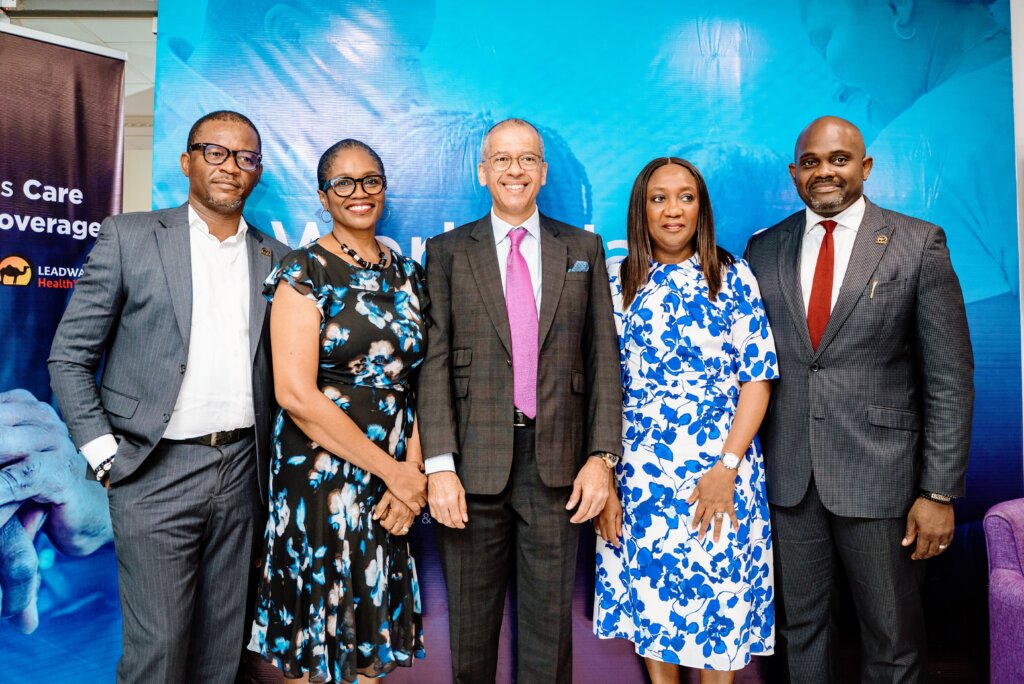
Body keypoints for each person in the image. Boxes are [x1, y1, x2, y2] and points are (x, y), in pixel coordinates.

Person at [48, 110, 290, 684]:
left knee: (221, 654)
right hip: (152, 468)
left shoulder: (276, 259)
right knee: (157, 653)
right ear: (187, 162)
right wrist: (108, 457)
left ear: (257, 173)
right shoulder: (129, 237)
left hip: (241, 474)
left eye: (246, 157)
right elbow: (70, 356)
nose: (231, 167)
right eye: (216, 152)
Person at [744, 116, 974, 683]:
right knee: (802, 631)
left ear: (865, 167)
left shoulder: (917, 243)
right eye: (812, 162)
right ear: (795, 172)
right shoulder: (763, 248)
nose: (825, 172)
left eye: (839, 159)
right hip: (791, 479)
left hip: (883, 483)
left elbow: (950, 378)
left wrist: (938, 491)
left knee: (892, 637)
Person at [418, 117, 622, 683]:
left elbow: (603, 358)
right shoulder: (448, 251)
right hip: (470, 467)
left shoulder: (582, 249)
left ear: (543, 171)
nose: (515, 169)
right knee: (472, 637)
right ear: (483, 171)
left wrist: (602, 458)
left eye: (527, 159)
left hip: (558, 467)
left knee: (548, 637)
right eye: (502, 159)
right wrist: (438, 466)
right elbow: (433, 363)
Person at [248, 139, 428, 683]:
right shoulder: (303, 272)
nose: (358, 193)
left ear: (384, 190)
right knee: (315, 643)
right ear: (323, 197)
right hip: (321, 478)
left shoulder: (409, 274)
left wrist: (411, 477)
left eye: (370, 180)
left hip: (393, 479)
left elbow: (424, 384)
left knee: (369, 642)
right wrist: (393, 470)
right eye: (343, 183)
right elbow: (295, 395)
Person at [593, 157, 777, 683]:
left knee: (718, 622)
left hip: (718, 477)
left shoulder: (732, 275)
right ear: (640, 208)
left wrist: (726, 467)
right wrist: (606, 480)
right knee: (653, 616)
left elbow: (757, 381)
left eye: (686, 197)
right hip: (639, 479)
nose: (673, 210)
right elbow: (599, 387)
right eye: (659, 198)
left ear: (701, 207)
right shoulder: (615, 280)